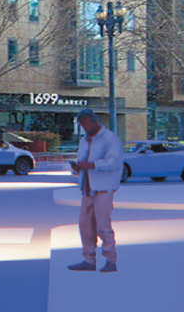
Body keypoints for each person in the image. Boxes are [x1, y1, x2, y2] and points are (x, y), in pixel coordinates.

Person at [66, 108, 122, 272]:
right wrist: (78, 167)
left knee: (103, 225)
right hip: (87, 187)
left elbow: (115, 162)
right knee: (85, 225)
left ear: (93, 120)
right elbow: (82, 160)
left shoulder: (110, 138)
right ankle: (89, 260)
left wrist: (92, 165)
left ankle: (111, 259)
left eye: (84, 123)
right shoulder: (84, 140)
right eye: (81, 125)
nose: (83, 127)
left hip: (104, 188)